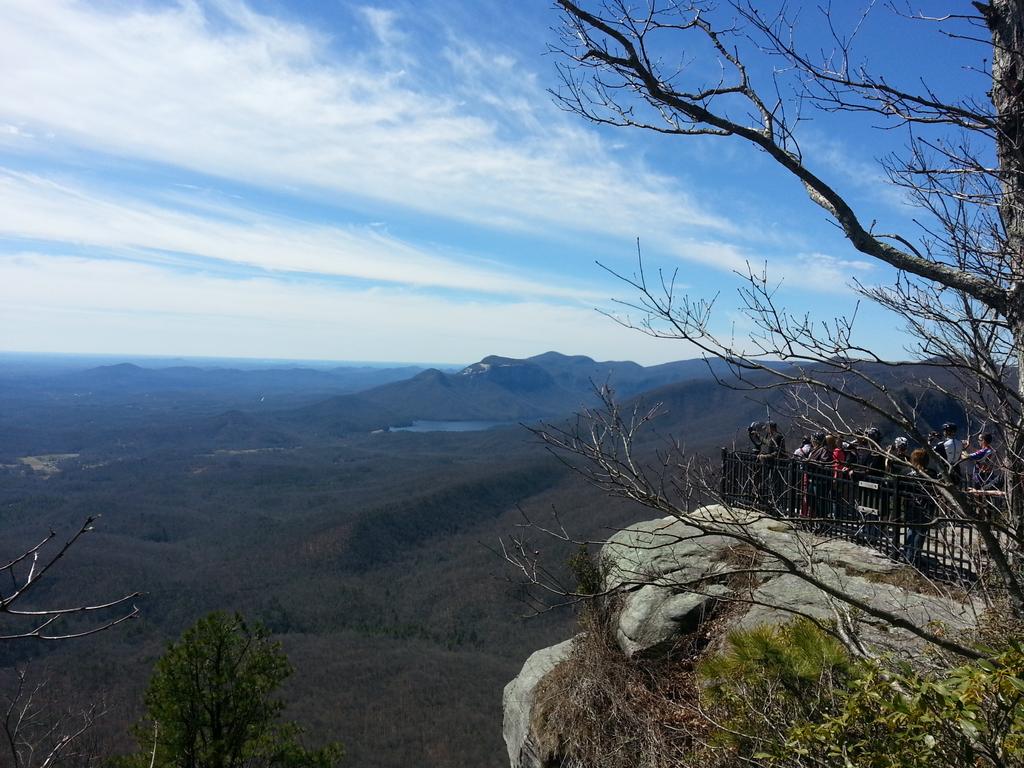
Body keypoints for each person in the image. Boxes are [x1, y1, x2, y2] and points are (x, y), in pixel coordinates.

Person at [903, 448, 935, 567]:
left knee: (911, 530)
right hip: (926, 507)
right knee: (920, 532)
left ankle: (907, 554)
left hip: (910, 505)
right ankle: (915, 557)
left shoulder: (907, 473)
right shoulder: (931, 474)